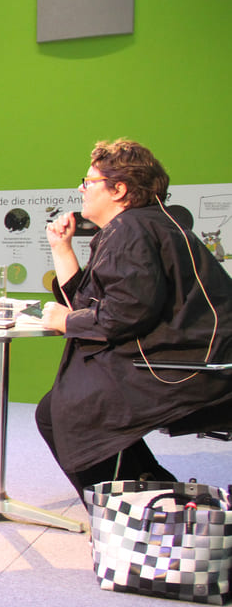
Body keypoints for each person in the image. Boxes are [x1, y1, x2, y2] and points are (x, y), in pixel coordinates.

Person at [36, 139, 232, 501]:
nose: (82, 188)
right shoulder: (145, 223)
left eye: (89, 181)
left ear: (119, 189)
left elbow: (124, 314)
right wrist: (61, 248)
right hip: (194, 358)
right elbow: (91, 304)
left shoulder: (130, 230)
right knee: (62, 407)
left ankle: (128, 508)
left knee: (68, 411)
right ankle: (157, 497)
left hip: (183, 367)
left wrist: (68, 322)